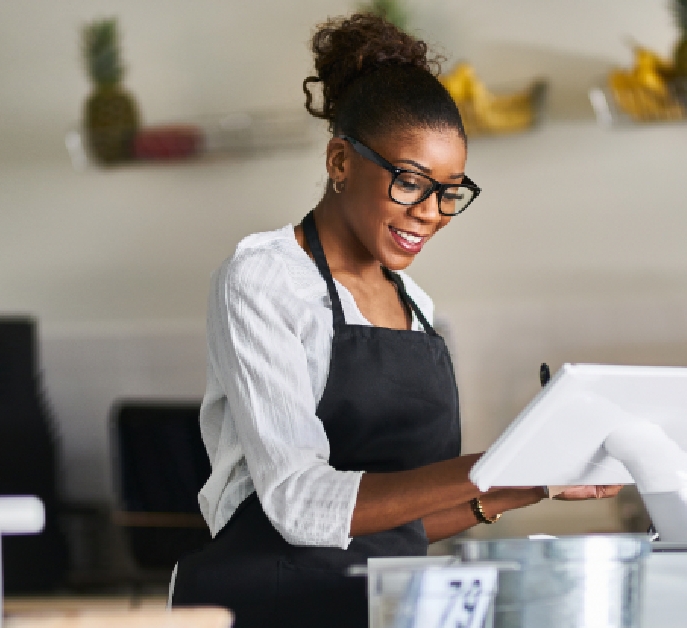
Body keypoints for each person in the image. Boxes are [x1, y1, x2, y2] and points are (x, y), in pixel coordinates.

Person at [170, 13, 620, 628]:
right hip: (267, 606)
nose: (431, 213)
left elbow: (400, 523)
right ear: (340, 161)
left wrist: (536, 481)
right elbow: (299, 505)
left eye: (449, 192)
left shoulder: (417, 307)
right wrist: (501, 461)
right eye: (411, 182)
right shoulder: (263, 280)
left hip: (380, 605)